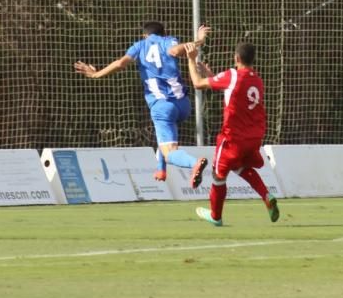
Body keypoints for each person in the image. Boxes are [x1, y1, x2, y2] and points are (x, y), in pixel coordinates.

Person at [74, 22, 210, 188]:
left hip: (162, 107)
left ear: (144, 35)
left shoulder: (139, 46)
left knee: (170, 152)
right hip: (183, 105)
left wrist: (95, 74)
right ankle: (161, 169)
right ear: (164, 33)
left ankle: (194, 163)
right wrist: (199, 40)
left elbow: (120, 64)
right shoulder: (169, 41)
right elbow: (176, 50)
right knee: (166, 137)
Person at [184, 37, 280, 226]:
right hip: (254, 136)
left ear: (236, 58)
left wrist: (190, 58)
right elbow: (233, 92)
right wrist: (211, 75)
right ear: (253, 60)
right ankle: (266, 196)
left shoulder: (232, 75)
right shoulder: (257, 80)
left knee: (218, 175)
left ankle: (215, 216)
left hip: (233, 138)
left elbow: (197, 83)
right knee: (240, 167)